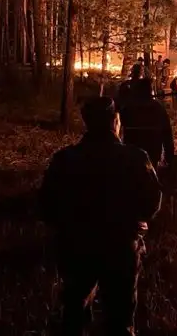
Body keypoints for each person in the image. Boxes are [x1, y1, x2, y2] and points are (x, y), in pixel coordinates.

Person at [38, 96, 162, 336]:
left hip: (76, 247)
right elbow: (152, 199)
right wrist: (139, 221)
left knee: (74, 312)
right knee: (120, 318)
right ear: (115, 121)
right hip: (121, 247)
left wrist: (67, 228)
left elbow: (46, 205)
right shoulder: (135, 158)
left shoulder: (65, 160)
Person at [119, 78, 175, 168]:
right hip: (152, 150)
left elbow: (120, 129)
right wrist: (169, 157)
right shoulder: (157, 107)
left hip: (133, 150)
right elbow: (167, 133)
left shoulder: (128, 107)